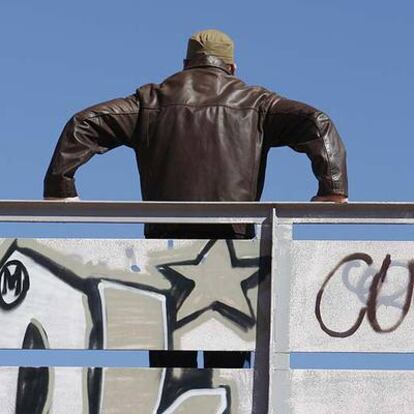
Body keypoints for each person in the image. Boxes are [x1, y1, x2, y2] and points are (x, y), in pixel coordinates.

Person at [44, 29, 348, 368]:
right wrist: (331, 188)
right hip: (233, 254)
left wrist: (60, 188)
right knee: (228, 376)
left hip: (165, 251)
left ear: (186, 65)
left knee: (170, 374)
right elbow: (317, 123)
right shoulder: (256, 103)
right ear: (231, 68)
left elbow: (85, 123)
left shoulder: (150, 101)